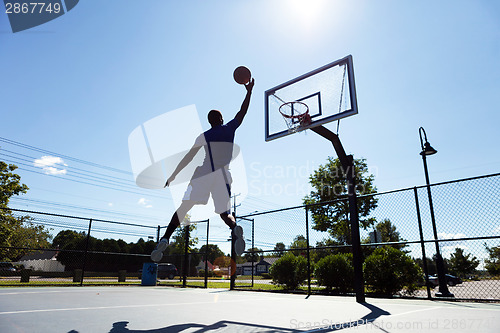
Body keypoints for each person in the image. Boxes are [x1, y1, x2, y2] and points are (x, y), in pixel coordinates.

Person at [151, 78, 255, 262]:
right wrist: (249, 91)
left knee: (184, 208)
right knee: (224, 212)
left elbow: (189, 157)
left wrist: (174, 175)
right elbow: (242, 112)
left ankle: (165, 237)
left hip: (203, 173)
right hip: (223, 175)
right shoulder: (230, 128)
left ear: (209, 122)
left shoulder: (204, 135)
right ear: (221, 119)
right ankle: (234, 228)